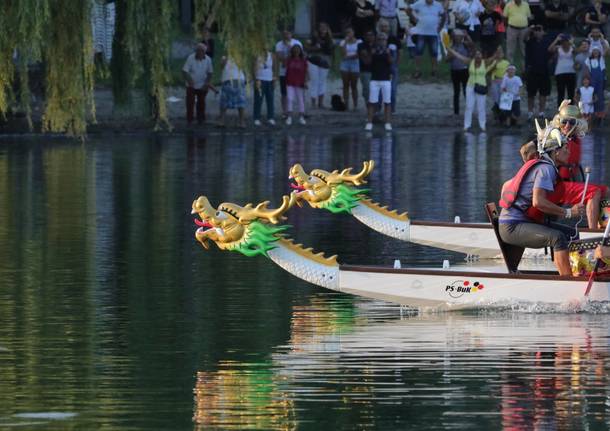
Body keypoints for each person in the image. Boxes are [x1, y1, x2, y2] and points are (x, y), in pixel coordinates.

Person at [499, 126, 584, 276]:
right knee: (557, 237)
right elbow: (538, 202)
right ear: (556, 151)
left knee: (572, 234)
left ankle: (578, 270)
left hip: (522, 222)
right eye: (565, 148)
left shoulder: (543, 165)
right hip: (512, 226)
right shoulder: (546, 169)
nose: (569, 151)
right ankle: (567, 281)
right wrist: (569, 212)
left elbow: (507, 185)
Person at [446, 46, 498, 131]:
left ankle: (482, 125)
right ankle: (467, 125)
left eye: (479, 54)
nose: (478, 56)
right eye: (476, 54)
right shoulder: (470, 62)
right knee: (469, 106)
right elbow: (459, 56)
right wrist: (451, 50)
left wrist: (497, 52)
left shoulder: (485, 62)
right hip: (470, 86)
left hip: (481, 87)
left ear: (482, 56)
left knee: (481, 107)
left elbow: (494, 57)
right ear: (474, 55)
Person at [407, 0, 446, 78]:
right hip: (421, 32)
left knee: (434, 53)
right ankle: (418, 71)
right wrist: (413, 18)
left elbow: (444, 15)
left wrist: (441, 27)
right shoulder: (419, 3)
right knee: (418, 52)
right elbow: (408, 9)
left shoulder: (438, 5)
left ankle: (434, 71)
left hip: (433, 32)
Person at [365, 32, 394, 131]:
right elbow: (368, 63)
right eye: (380, 39)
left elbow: (391, 62)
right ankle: (369, 122)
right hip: (374, 79)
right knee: (372, 102)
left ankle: (388, 122)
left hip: (386, 79)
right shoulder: (373, 50)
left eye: (383, 39)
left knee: (387, 102)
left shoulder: (389, 50)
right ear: (377, 40)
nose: (381, 41)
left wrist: (388, 53)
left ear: (386, 41)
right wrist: (371, 54)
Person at [182, 43, 213, 125]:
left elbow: (210, 73)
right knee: (190, 102)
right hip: (191, 84)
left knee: (201, 102)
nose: (199, 52)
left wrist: (206, 84)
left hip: (202, 84)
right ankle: (190, 120)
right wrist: (190, 81)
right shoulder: (190, 58)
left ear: (204, 52)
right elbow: (185, 71)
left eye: (201, 51)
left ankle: (201, 119)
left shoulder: (208, 60)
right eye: (197, 50)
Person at [524, 24, 551, 119]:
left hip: (544, 70)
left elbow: (552, 51)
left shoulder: (547, 41)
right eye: (536, 30)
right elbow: (524, 37)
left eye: (540, 30)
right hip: (532, 70)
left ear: (543, 32)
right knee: (531, 93)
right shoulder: (530, 41)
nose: (538, 32)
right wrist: (530, 29)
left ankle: (541, 112)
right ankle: (530, 112)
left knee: (543, 93)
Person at [305, 22, 334, 109]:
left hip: (325, 61)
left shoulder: (330, 39)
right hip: (313, 60)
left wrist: (331, 62)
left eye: (324, 26)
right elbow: (306, 48)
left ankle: (320, 103)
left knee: (322, 81)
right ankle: (313, 102)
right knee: (314, 81)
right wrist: (314, 48)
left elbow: (331, 52)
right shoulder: (313, 37)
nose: (323, 28)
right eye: (321, 27)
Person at [275, 30, 303, 117]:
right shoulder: (279, 44)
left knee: (299, 92)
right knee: (284, 92)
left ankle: (301, 111)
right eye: (284, 34)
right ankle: (285, 111)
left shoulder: (297, 42)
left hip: (296, 71)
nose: (286, 35)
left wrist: (289, 47)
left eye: (288, 33)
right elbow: (280, 58)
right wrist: (288, 57)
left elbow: (299, 56)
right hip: (284, 72)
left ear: (291, 34)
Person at [446, 29, 472, 115]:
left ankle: (469, 109)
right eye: (456, 36)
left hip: (464, 70)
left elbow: (472, 45)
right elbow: (446, 60)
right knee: (456, 92)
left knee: (466, 91)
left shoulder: (465, 45)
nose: (458, 38)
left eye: (459, 36)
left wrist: (467, 36)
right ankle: (456, 112)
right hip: (454, 71)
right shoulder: (451, 46)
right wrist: (452, 55)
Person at [218, 56, 247, 128]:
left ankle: (242, 122)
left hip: (239, 79)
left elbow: (244, 68)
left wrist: (246, 78)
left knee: (241, 102)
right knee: (224, 102)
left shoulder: (240, 57)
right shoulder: (224, 58)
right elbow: (221, 66)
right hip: (227, 80)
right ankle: (222, 121)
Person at [548, 33, 575, 107]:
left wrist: (572, 42)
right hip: (560, 72)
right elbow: (550, 49)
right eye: (564, 41)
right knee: (561, 92)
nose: (565, 42)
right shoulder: (558, 48)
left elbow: (578, 51)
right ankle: (560, 109)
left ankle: (571, 109)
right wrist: (556, 40)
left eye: (567, 41)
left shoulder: (572, 48)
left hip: (571, 72)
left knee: (571, 92)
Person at [285, 44, 309, 126]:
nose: (296, 51)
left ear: (300, 51)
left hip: (300, 82)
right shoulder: (289, 60)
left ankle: (301, 117)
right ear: (292, 51)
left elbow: (306, 72)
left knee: (300, 100)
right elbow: (284, 67)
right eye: (294, 50)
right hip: (290, 82)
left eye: (298, 50)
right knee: (289, 99)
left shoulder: (303, 60)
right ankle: (289, 117)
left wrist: (305, 82)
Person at [339, 28, 362, 111]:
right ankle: (346, 104)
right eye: (347, 32)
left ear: (353, 32)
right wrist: (345, 41)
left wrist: (348, 57)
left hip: (355, 63)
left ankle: (355, 105)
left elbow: (358, 54)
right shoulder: (343, 42)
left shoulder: (359, 42)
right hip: (345, 64)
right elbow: (343, 53)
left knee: (354, 85)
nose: (349, 34)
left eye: (350, 32)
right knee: (345, 85)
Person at [503, 0, 532, 64]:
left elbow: (529, 17)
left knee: (524, 50)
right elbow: (504, 17)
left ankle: (524, 69)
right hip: (512, 29)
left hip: (524, 30)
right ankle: (510, 68)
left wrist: (525, 25)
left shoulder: (526, 4)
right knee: (510, 50)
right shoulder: (508, 4)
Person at [252, 51, 276, 126]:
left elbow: (274, 68)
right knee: (258, 100)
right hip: (259, 79)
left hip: (269, 80)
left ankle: (271, 117)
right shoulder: (256, 54)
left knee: (270, 99)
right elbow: (253, 67)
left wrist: (274, 80)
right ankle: (256, 118)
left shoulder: (271, 55)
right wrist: (255, 79)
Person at [585, 46, 606, 125]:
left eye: (597, 51)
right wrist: (588, 81)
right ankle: (590, 115)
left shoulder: (601, 59)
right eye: (594, 51)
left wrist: (604, 81)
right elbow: (587, 71)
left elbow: (603, 71)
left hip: (600, 82)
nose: (595, 52)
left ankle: (600, 117)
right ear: (592, 52)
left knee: (600, 99)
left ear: (599, 52)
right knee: (591, 97)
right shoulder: (588, 60)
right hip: (592, 81)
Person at [490, 46, 510, 121]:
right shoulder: (493, 62)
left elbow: (508, 73)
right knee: (496, 99)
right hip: (495, 82)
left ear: (503, 54)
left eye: (501, 53)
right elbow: (490, 71)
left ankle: (504, 117)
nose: (499, 54)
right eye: (497, 53)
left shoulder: (506, 63)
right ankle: (496, 115)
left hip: (503, 82)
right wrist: (492, 79)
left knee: (504, 99)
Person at [358, 30, 376, 106]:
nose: (370, 37)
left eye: (371, 35)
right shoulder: (361, 45)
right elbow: (366, 61)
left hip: (376, 71)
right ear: (364, 37)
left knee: (375, 90)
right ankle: (368, 105)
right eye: (368, 35)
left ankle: (375, 106)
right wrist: (373, 54)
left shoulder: (377, 45)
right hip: (365, 70)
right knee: (367, 89)